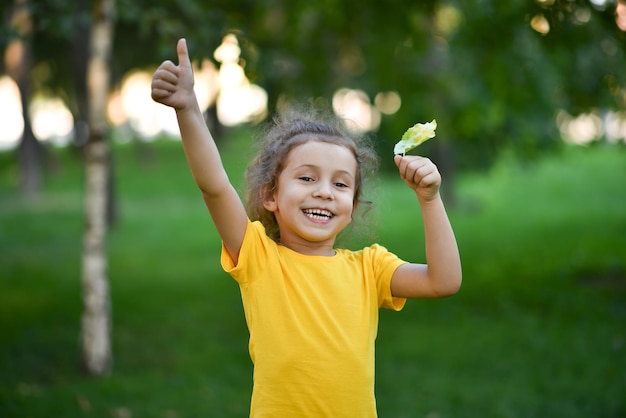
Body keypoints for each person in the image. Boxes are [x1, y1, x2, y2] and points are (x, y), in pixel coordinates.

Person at [151, 38, 462, 418]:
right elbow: (214, 185)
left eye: (341, 184)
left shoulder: (370, 269)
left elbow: (443, 281)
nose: (325, 193)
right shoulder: (258, 257)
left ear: (352, 207)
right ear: (271, 196)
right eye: (307, 178)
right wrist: (187, 108)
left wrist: (430, 200)